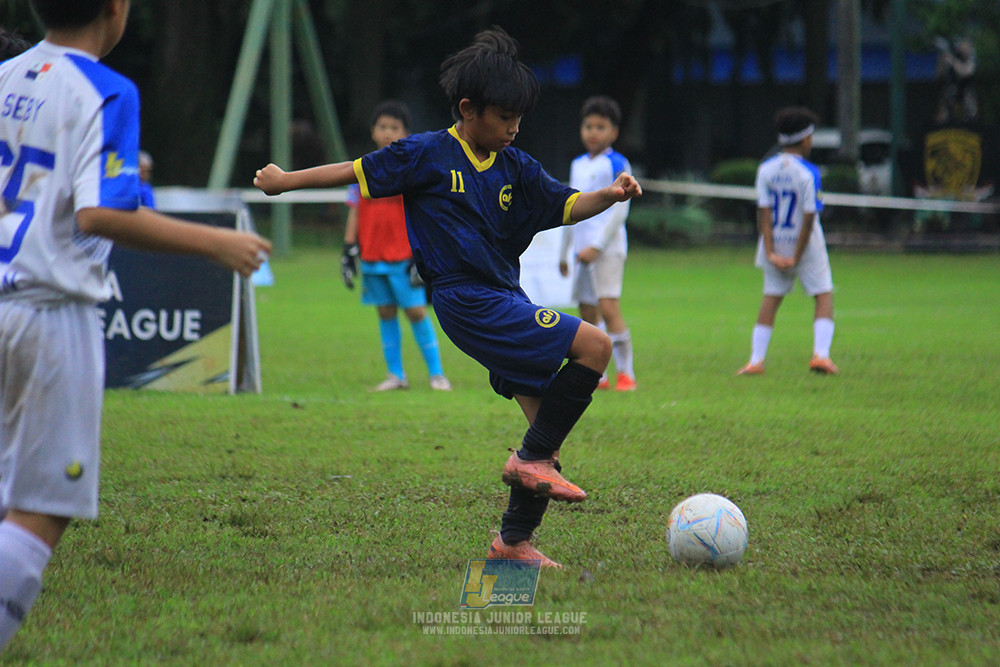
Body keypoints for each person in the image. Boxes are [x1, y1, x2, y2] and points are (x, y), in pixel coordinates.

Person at [255, 27, 641, 567]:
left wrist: (610, 194)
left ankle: (512, 543)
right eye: (504, 118)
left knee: (545, 438)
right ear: (468, 109)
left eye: (519, 119)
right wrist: (284, 180)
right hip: (466, 300)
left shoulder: (516, 167)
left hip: (505, 296)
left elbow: (568, 204)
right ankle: (526, 463)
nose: (513, 129)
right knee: (595, 348)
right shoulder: (427, 154)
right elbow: (356, 170)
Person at [0, 0, 270, 650]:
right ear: (117, 9)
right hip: (49, 315)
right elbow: (100, 215)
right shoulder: (106, 89)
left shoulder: (7, 75)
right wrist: (217, 245)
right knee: (41, 505)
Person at [342, 101, 451, 392]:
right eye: (383, 127)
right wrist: (348, 249)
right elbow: (355, 208)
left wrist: (421, 252)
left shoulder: (411, 168)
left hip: (403, 257)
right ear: (373, 131)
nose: (388, 132)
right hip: (372, 257)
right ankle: (396, 375)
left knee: (416, 312)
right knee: (385, 312)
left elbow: (423, 211)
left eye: (394, 127)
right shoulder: (362, 169)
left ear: (405, 132)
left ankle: (437, 374)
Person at [737, 106, 838, 377]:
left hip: (774, 242)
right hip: (805, 245)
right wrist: (796, 254)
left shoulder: (766, 169)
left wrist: (770, 251)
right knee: (823, 294)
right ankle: (821, 355)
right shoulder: (809, 172)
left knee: (771, 297)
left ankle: (756, 360)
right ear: (806, 139)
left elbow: (764, 212)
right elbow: (808, 217)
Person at [559, 96, 636, 392]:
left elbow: (620, 209)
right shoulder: (577, 163)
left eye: (600, 127)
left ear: (613, 133)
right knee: (587, 310)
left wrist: (599, 246)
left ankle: (626, 374)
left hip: (607, 249)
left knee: (608, 306)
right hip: (580, 251)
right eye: (588, 125)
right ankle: (598, 374)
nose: (593, 132)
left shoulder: (617, 162)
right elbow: (570, 205)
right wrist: (564, 251)